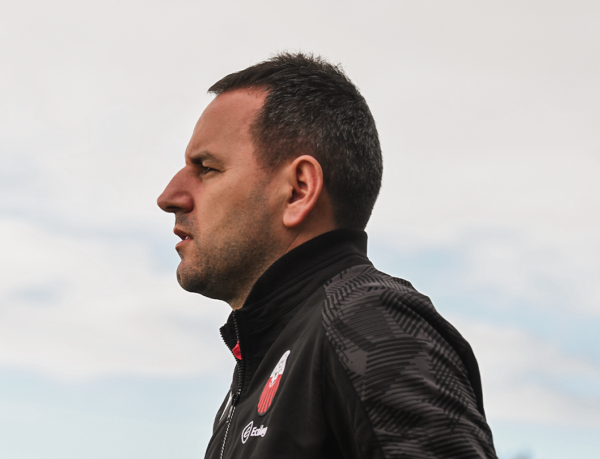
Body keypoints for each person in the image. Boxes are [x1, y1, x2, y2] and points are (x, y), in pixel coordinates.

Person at [157, 53, 497, 459]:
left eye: (207, 168)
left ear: (298, 191)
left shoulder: (367, 321)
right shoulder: (261, 372)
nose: (169, 197)